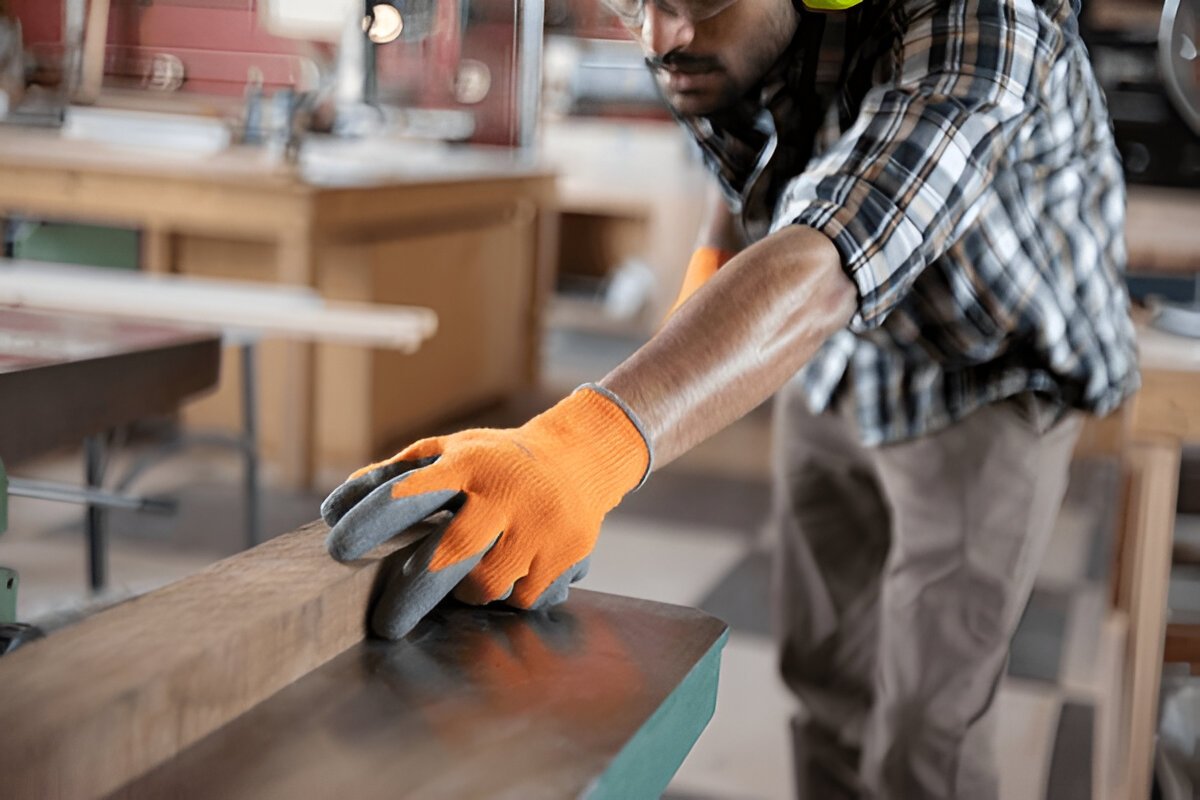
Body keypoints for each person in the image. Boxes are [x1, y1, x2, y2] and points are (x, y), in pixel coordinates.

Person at [320, 0, 1139, 796]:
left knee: (929, 730)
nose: (660, 35)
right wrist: (720, 260)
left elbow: (842, 246)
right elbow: (778, 145)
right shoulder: (710, 35)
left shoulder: (989, 17)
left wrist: (585, 445)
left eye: (700, 1)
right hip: (833, 360)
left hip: (985, 370)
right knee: (827, 678)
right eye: (634, 3)